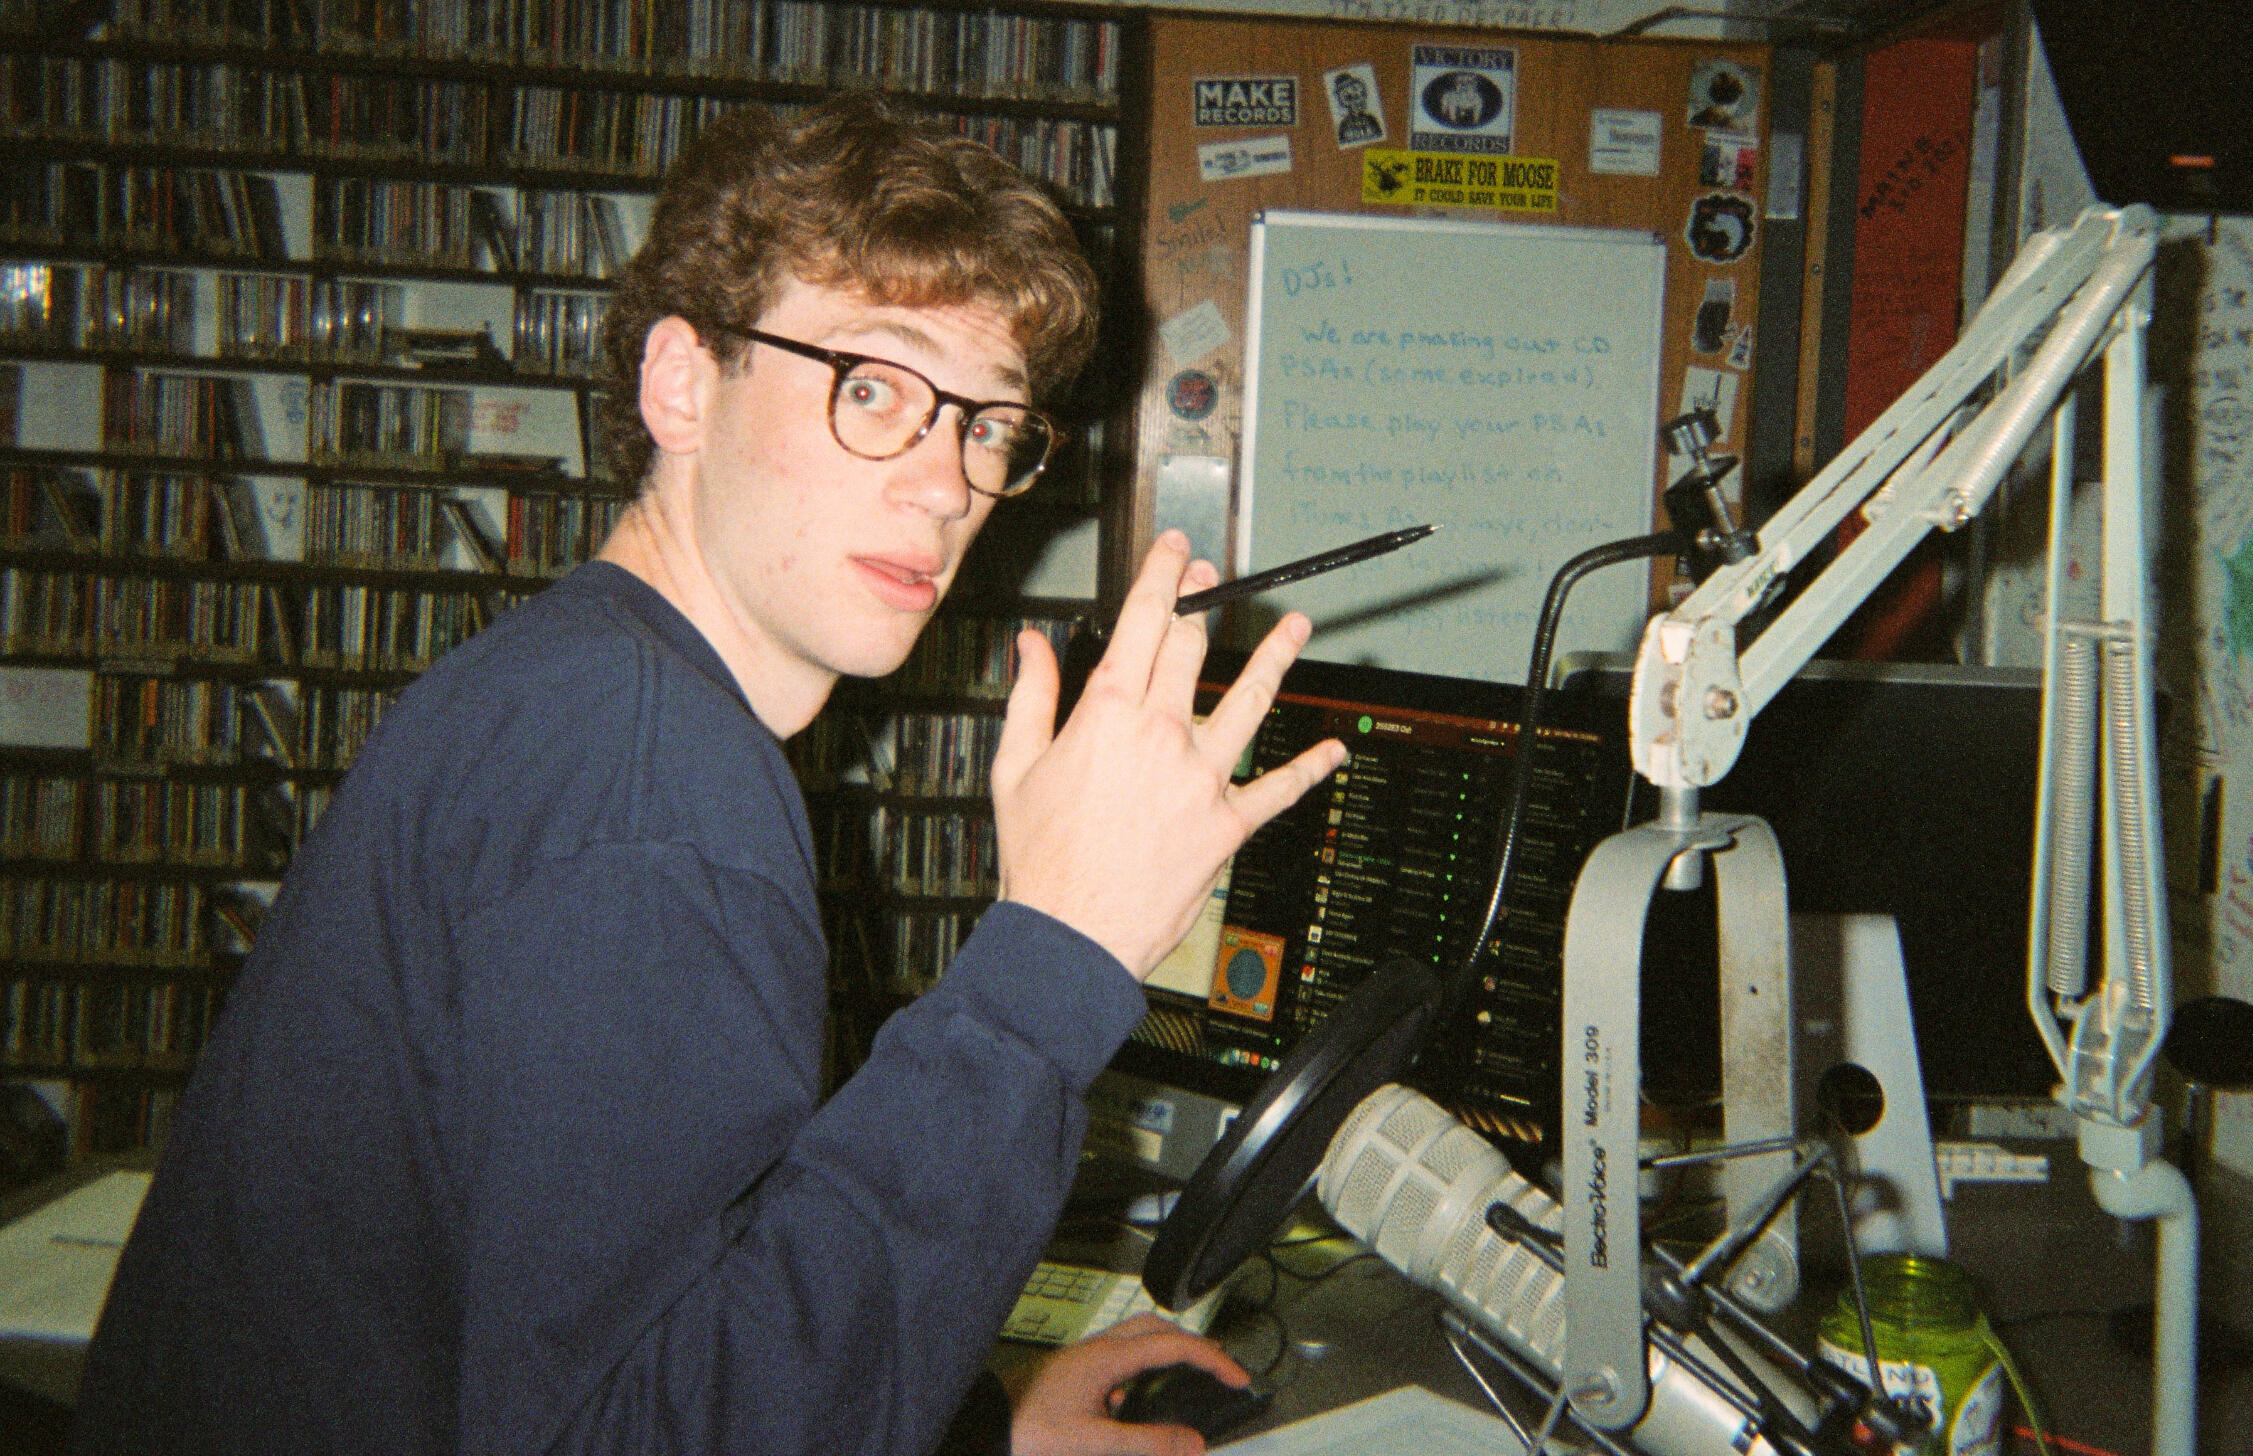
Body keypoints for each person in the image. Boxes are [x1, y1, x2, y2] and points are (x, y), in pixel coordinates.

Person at [74, 94, 1346, 1456]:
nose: (944, 487)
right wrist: (1060, 956)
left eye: (987, 425)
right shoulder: (650, 786)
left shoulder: (581, 684)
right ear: (683, 385)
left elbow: (646, 1332)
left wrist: (982, 1433)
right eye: (876, 390)